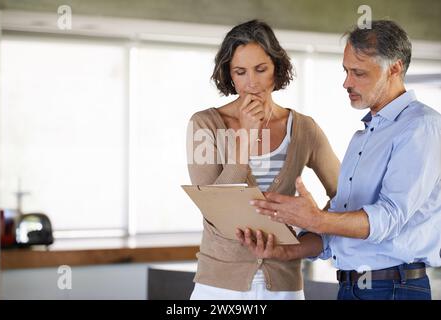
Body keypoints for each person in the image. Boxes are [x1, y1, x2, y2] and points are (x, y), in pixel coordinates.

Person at [239, 20, 441, 300]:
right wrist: (285, 250)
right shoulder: (363, 136)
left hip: (393, 288)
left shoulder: (421, 127)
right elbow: (336, 225)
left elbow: (389, 218)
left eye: (358, 73)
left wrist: (318, 219)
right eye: (346, 71)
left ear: (394, 68)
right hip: (351, 287)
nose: (346, 82)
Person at [186, 19, 340, 300]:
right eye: (241, 72)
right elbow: (213, 208)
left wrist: (311, 229)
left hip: (284, 284)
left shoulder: (305, 128)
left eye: (261, 69)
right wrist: (244, 136)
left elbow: (345, 195)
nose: (252, 83)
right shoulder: (204, 125)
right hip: (218, 285)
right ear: (229, 76)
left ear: (277, 69)